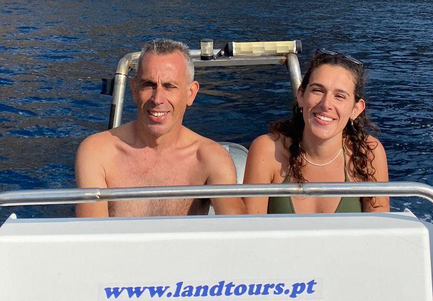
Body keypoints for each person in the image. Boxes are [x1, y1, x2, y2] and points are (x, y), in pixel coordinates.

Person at [75, 39, 246, 217]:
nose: (157, 99)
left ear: (190, 94)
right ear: (134, 90)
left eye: (169, 86)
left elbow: (236, 225)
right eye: (149, 85)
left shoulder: (210, 158)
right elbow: (91, 234)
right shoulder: (98, 152)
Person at [243, 50, 389, 214]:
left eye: (339, 96)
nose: (326, 104)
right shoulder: (268, 150)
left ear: (356, 109)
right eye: (317, 90)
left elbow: (380, 233)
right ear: (301, 95)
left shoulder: (369, 153)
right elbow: (250, 232)